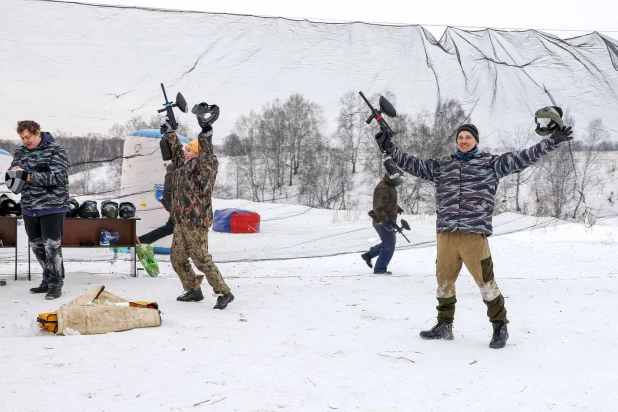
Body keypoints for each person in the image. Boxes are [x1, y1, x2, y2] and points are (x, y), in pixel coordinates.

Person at [375, 121, 573, 349]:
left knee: (486, 283)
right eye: (460, 137)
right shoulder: (443, 165)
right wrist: (390, 148)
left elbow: (523, 157)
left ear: (476, 140)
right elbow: (413, 164)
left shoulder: (491, 164)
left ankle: (500, 327)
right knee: (444, 283)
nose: (464, 141)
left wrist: (552, 141)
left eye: (468, 137)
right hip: (447, 234)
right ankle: (444, 325)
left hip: (474, 234)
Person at [160, 113, 234, 309]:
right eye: (185, 150)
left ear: (198, 153)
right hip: (181, 222)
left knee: (200, 258)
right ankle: (193, 290)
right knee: (177, 258)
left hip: (196, 221)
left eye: (189, 150)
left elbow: (207, 155)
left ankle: (224, 292)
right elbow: (175, 152)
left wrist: (205, 134)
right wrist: (170, 133)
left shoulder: (205, 168)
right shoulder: (182, 167)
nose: (184, 152)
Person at [10, 121, 70, 300]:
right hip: (29, 206)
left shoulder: (56, 150)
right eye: (22, 138)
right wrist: (13, 172)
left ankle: (55, 283)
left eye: (28, 137)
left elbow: (58, 176)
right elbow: (13, 174)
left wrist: (28, 176)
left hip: (52, 205)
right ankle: (46, 278)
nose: (25, 141)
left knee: (52, 246)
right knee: (36, 245)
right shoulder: (20, 152)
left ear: (38, 133)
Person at [361, 173, 404, 274]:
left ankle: (369, 255)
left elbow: (389, 202)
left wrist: (397, 208)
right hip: (382, 221)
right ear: (392, 177)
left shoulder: (390, 187)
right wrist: (385, 221)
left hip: (389, 220)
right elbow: (378, 208)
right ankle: (380, 269)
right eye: (398, 178)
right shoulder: (382, 188)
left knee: (388, 243)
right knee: (389, 244)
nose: (399, 180)